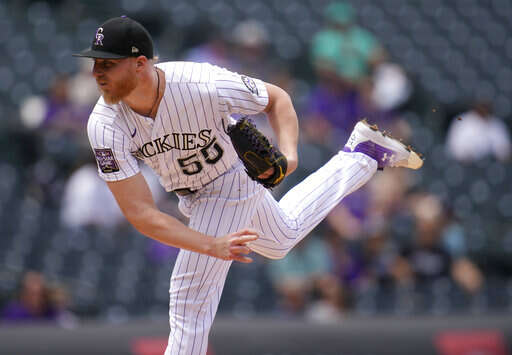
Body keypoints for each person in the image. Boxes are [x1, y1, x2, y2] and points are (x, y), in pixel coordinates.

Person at [73, 16, 422, 355]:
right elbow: (139, 212)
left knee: (189, 297)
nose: (97, 73)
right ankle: (361, 154)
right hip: (193, 194)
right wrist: (209, 243)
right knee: (282, 237)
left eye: (108, 64)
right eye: (95, 64)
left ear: (140, 64)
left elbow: (277, 99)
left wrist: (290, 155)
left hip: (231, 178)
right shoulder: (104, 125)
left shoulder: (200, 82)